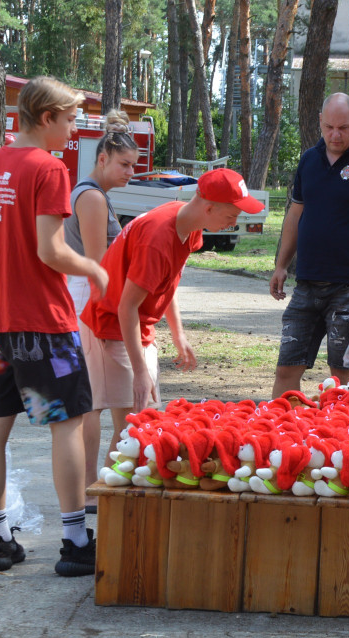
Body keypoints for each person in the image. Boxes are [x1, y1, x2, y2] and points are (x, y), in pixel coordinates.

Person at [0, 76, 109, 577]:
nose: (73, 131)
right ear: (46, 117)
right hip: (42, 324)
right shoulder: (48, 169)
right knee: (66, 425)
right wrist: (93, 268)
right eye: (70, 120)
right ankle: (73, 542)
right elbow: (50, 250)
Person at [81, 168, 263, 472]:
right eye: (232, 215)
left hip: (137, 325)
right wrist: (140, 371)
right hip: (109, 322)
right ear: (208, 208)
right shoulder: (158, 238)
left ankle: (114, 486)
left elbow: (167, 282)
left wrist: (179, 334)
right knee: (132, 420)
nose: (236, 221)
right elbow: (127, 307)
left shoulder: (190, 225)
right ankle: (92, 493)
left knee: (143, 416)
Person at [270, 92, 349, 398]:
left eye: (343, 128)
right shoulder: (309, 160)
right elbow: (295, 214)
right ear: (320, 123)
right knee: (287, 366)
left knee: (342, 371)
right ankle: (277, 434)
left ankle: (343, 438)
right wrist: (281, 265)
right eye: (329, 127)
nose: (335, 135)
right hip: (307, 284)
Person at [62, 110, 138, 510]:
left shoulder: (97, 195)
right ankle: (90, 483)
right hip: (88, 298)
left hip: (90, 296)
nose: (130, 172)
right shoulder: (90, 196)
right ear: (103, 157)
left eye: (134, 165)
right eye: (124, 164)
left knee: (93, 397)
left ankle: (91, 482)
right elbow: (96, 264)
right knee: (90, 400)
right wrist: (108, 314)